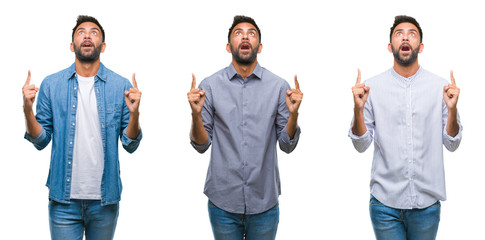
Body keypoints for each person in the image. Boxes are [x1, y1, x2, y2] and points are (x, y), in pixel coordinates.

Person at [22, 15, 142, 240]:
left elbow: (130, 143)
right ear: (72, 45)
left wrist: (134, 114)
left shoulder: (121, 86)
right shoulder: (51, 84)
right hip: (63, 201)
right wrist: (28, 111)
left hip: (105, 201)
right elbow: (41, 140)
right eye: (81, 32)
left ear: (103, 46)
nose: (87, 35)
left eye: (94, 32)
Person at [187, 15, 303, 240]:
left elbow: (287, 146)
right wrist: (195, 113)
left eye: (251, 33)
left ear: (259, 46)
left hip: (264, 202)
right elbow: (201, 145)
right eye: (238, 33)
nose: (245, 37)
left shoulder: (279, 87)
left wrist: (294, 113)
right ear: (228, 45)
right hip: (222, 202)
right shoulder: (209, 86)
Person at [349, 15, 462, 239]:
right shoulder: (372, 88)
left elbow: (452, 143)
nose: (405, 38)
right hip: (385, 204)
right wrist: (358, 109)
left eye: (412, 34)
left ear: (420, 46)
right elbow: (361, 145)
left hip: (427, 206)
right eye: (399, 34)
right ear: (391, 46)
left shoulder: (441, 87)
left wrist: (452, 110)